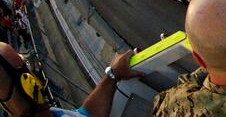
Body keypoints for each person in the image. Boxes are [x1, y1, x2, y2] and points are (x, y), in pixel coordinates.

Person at [0, 42, 142, 117]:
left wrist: (112, 75)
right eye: (24, 64)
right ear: (29, 84)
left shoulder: (51, 114)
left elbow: (87, 114)